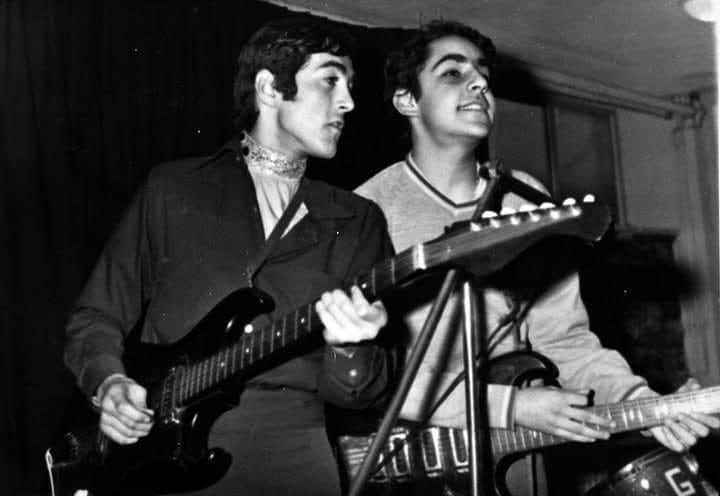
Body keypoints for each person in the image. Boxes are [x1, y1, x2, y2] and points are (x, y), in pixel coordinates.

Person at [356, 19, 719, 495]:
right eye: (452, 72)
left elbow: (564, 341)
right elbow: (365, 372)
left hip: (514, 461)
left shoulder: (526, 202)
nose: (479, 83)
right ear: (407, 100)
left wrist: (644, 405)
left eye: (483, 73)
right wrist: (510, 406)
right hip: (400, 461)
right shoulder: (364, 211)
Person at [64, 18, 395, 496]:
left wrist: (351, 347)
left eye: (350, 86)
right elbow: (94, 316)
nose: (348, 102)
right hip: (157, 458)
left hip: (295, 459)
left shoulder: (359, 219)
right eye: (330, 80)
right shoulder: (173, 188)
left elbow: (365, 393)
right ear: (269, 88)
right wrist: (109, 382)